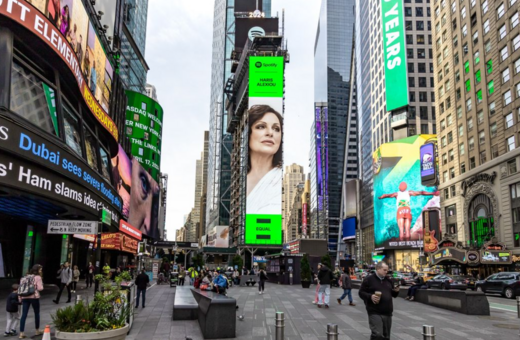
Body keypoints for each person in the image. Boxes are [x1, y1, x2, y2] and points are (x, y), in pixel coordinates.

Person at [246, 105, 283, 215]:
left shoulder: (280, 178)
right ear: (248, 133)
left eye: (276, 129)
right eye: (261, 127)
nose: (270, 133)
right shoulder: (237, 179)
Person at [359, 262, 400, 340]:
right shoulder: (369, 279)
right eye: (384, 270)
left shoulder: (388, 280)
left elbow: (393, 295)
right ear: (378, 269)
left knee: (386, 336)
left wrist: (396, 291)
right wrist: (370, 296)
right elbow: (361, 293)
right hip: (374, 311)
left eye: (387, 270)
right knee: (377, 334)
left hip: (387, 312)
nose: (386, 272)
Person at [19, 264, 44, 339]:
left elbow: (21, 288)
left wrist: (20, 298)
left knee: (24, 315)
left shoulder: (24, 277)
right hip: (34, 297)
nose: (41, 271)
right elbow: (40, 288)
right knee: (36, 313)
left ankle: (21, 333)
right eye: (40, 269)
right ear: (37, 270)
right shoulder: (37, 277)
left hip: (24, 297)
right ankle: (37, 330)